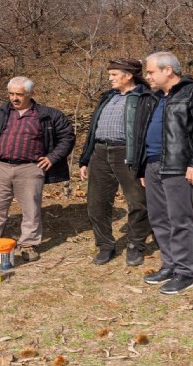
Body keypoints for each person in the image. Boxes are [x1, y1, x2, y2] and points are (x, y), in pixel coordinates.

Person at [134, 52, 193, 293]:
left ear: (168, 70)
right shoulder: (153, 97)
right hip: (152, 164)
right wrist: (142, 166)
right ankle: (170, 264)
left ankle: (185, 270)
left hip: (179, 165)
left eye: (150, 72)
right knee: (158, 218)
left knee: (180, 219)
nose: (147, 77)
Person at [0, 76, 75, 262]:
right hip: (0, 167)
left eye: (19, 94)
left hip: (30, 168)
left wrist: (53, 157)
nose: (14, 98)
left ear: (31, 94)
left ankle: (28, 245)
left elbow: (67, 137)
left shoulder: (48, 115)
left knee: (31, 209)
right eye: (11, 94)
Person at [79, 59, 152, 266]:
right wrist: (85, 159)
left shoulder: (145, 98)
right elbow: (93, 129)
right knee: (97, 202)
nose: (109, 78)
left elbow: (148, 131)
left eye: (114, 74)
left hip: (128, 153)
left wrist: (145, 161)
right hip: (100, 152)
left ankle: (136, 244)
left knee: (138, 201)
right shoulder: (107, 97)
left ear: (128, 75)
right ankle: (105, 245)